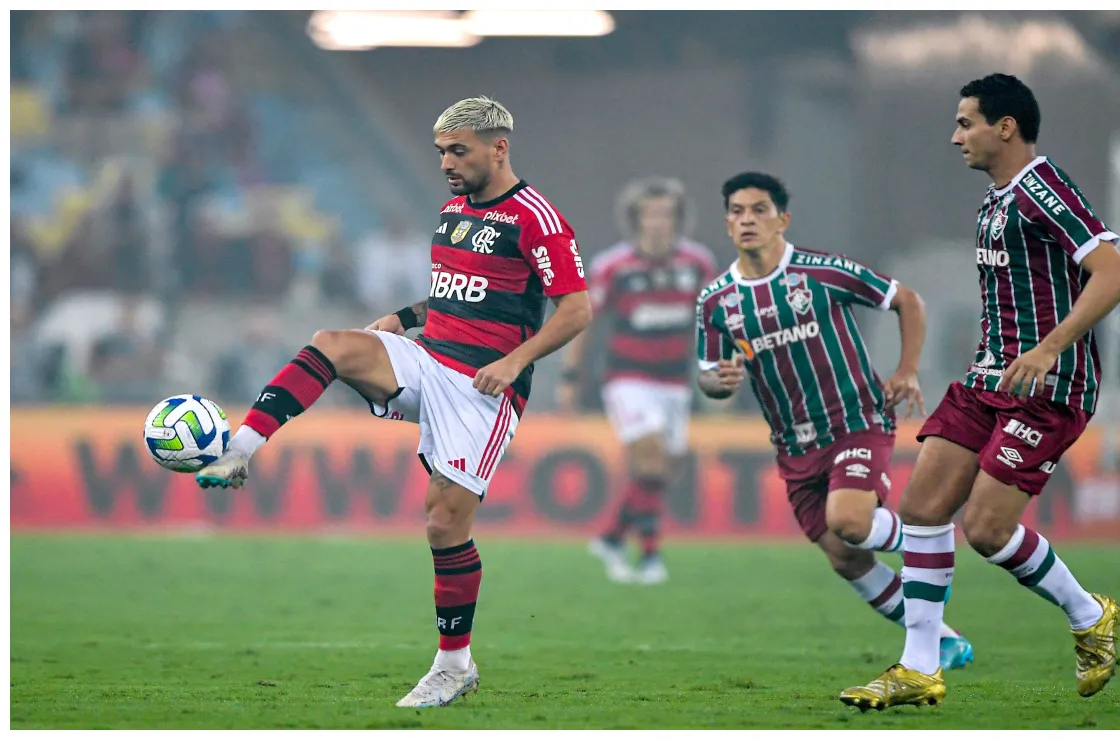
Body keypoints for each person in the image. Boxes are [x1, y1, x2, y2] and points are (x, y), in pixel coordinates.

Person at [195, 96, 592, 709]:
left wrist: (516, 361)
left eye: (458, 151)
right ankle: (239, 449)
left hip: (485, 387)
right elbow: (456, 296)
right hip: (430, 357)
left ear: (499, 147)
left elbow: (576, 308)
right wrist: (403, 318)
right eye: (440, 152)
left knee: (443, 521)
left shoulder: (537, 217)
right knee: (334, 344)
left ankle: (454, 664)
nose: (446, 164)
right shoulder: (455, 210)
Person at [840, 74, 1120, 711]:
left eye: (966, 122)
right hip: (986, 380)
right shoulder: (994, 201)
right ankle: (918, 668)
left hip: (1048, 387)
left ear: (1006, 127)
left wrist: (1049, 347)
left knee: (986, 530)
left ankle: (1088, 614)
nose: (956, 137)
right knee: (921, 509)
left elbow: (1115, 275)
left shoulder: (1043, 188)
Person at [695, 171, 973, 672]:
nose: (747, 220)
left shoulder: (820, 272)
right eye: (737, 211)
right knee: (845, 556)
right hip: (794, 446)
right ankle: (945, 639)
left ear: (783, 218)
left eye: (759, 210)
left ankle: (929, 539)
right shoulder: (716, 301)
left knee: (849, 522)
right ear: (726, 222)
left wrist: (907, 370)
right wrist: (721, 381)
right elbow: (708, 378)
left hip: (855, 420)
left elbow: (906, 299)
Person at [559, 177, 717, 584]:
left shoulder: (697, 263)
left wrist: (718, 363)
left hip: (675, 381)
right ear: (636, 219)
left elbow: (713, 319)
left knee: (666, 467)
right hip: (627, 377)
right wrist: (571, 375)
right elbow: (585, 323)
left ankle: (611, 536)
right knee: (649, 454)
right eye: (651, 213)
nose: (659, 222)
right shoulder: (614, 266)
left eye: (666, 213)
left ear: (678, 218)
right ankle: (649, 557)